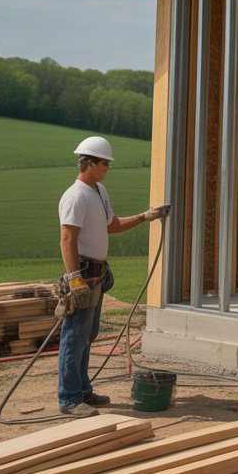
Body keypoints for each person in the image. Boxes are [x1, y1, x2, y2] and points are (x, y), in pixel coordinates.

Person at [57, 136, 164, 417]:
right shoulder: (75, 196)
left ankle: (82, 391)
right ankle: (69, 398)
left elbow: (112, 226)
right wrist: (74, 278)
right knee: (74, 336)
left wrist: (147, 216)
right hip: (83, 274)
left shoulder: (99, 191)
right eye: (104, 163)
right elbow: (67, 238)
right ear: (89, 163)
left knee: (87, 335)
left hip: (97, 275)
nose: (107, 168)